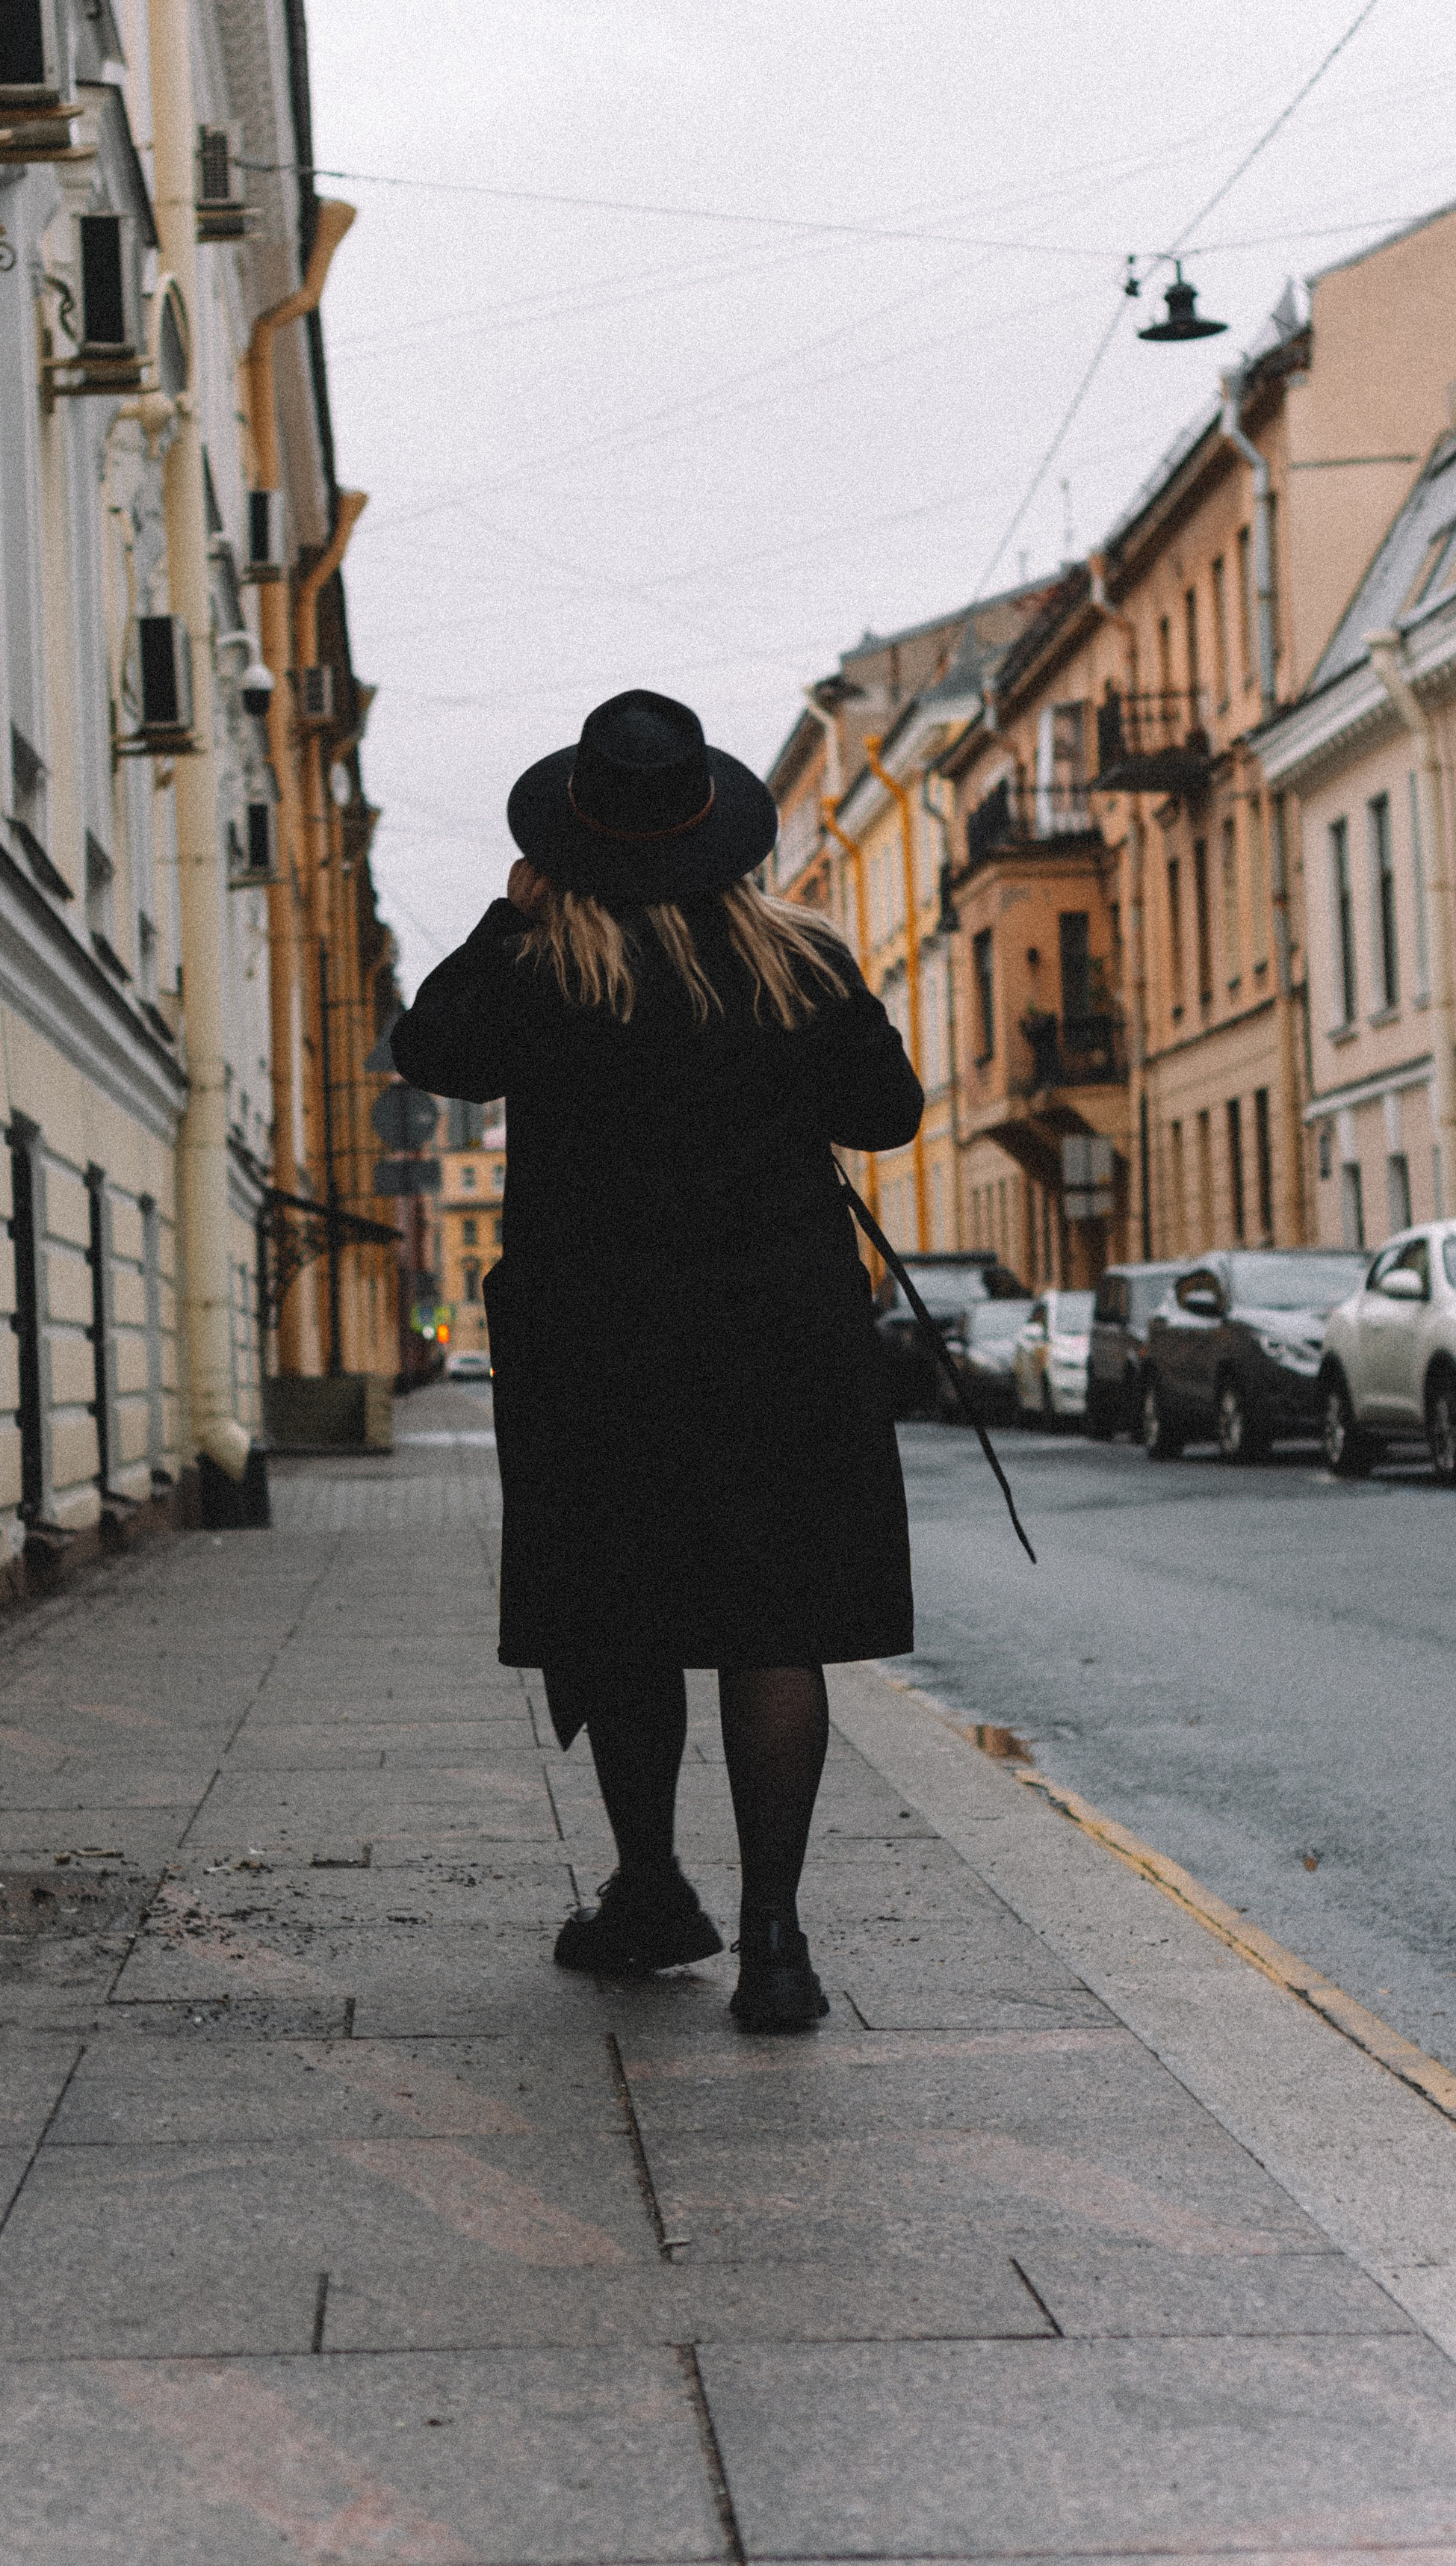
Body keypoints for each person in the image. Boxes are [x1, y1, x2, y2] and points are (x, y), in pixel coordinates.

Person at [390, 688, 924, 2031]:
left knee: (621, 1616)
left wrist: (513, 911)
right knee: (772, 1621)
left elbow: (427, 1044)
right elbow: (892, 1114)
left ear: (571, 840)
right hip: (783, 1339)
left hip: (598, 1347)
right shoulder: (798, 961)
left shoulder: (543, 968)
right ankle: (778, 1942)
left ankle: (650, 1891)